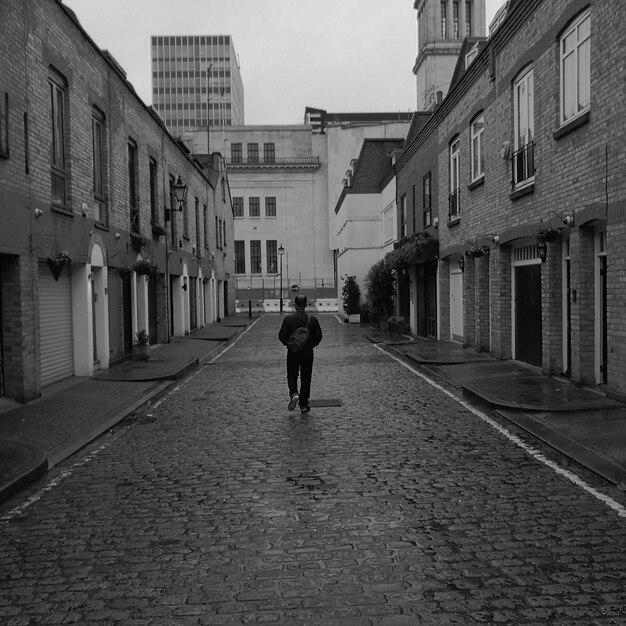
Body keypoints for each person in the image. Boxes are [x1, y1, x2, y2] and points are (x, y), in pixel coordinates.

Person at [278, 294, 323, 413]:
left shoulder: (288, 319)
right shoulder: (312, 319)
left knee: (292, 374)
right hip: (308, 352)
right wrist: (311, 344)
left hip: (293, 352)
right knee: (306, 377)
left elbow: (281, 336)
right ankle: (303, 404)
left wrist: (289, 345)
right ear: (306, 304)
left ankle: (293, 393)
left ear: (295, 304)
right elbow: (319, 336)